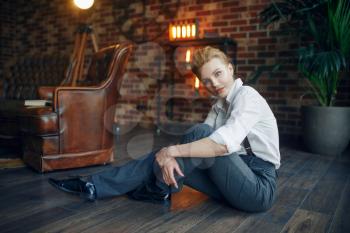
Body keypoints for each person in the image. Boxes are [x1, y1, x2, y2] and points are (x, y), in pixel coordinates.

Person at [49, 46, 280, 212]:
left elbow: (221, 145)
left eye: (218, 74)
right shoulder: (219, 106)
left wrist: (171, 152)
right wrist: (169, 155)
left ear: (230, 69)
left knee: (190, 140)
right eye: (207, 81)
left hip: (258, 188)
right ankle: (93, 185)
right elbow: (194, 144)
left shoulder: (247, 96)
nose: (214, 84)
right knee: (171, 152)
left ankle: (157, 188)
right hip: (233, 181)